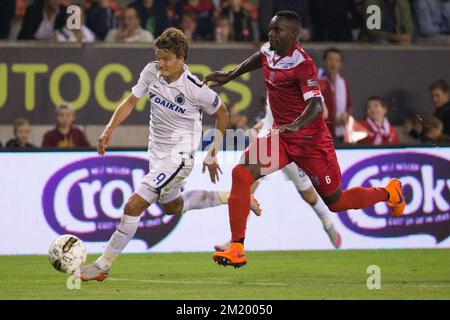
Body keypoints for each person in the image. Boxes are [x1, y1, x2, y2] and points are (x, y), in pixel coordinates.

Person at [204, 11, 406, 268]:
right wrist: (231, 75)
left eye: (278, 31)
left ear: (294, 35)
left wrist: (295, 125)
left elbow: (315, 104)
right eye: (271, 29)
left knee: (336, 202)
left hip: (311, 143)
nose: (271, 34)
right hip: (281, 137)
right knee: (241, 174)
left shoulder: (304, 64)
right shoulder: (269, 50)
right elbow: (261, 57)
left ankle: (389, 192)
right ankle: (236, 248)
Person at [79, 28, 260, 281]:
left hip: (180, 156)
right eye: (158, 57)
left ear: (181, 59)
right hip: (157, 154)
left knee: (133, 206)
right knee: (172, 207)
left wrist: (212, 151)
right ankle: (234, 197)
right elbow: (131, 101)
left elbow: (222, 113)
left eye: (166, 59)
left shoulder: (195, 89)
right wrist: (110, 129)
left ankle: (102, 265)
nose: (160, 63)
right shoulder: (150, 71)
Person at [215, 101, 342, 252]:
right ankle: (235, 242)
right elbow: (271, 115)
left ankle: (328, 223)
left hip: (293, 145)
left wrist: (297, 126)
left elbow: (323, 112)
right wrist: (263, 124)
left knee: (309, 196)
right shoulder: (272, 84)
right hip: (268, 143)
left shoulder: (304, 85)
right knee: (245, 187)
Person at [318, 48, 352, 144]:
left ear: (340, 64)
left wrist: (346, 116)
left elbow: (349, 106)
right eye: (330, 59)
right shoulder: (316, 80)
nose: (333, 63)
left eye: (337, 60)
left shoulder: (343, 82)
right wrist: (332, 121)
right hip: (321, 132)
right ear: (324, 62)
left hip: (340, 132)